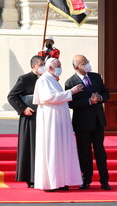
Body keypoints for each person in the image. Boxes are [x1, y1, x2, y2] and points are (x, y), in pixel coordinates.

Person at [32, 58, 84, 191]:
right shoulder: (43, 80)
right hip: (51, 120)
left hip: (59, 120)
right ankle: (52, 182)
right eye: (58, 66)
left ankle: (62, 180)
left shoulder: (52, 80)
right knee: (52, 148)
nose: (60, 68)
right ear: (50, 68)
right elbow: (51, 98)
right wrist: (71, 92)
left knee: (61, 148)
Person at [65, 55, 111, 190]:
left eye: (87, 62)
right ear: (76, 67)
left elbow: (106, 93)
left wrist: (100, 97)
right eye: (83, 63)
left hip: (98, 121)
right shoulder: (70, 82)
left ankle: (104, 180)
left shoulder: (96, 77)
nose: (87, 65)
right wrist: (89, 101)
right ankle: (86, 179)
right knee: (84, 153)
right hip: (82, 124)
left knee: (100, 152)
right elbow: (71, 104)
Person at [7, 55, 45, 188]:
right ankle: (31, 178)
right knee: (31, 147)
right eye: (41, 64)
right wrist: (23, 109)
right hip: (30, 117)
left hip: (44, 117)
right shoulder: (25, 79)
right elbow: (12, 96)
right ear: (34, 66)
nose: (43, 66)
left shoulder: (47, 78)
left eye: (44, 64)